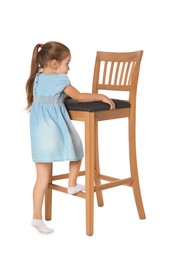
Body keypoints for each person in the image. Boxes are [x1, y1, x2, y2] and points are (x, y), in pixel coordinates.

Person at [25, 41, 115, 234]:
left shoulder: (37, 78)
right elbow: (80, 97)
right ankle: (72, 184)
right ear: (55, 63)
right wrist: (101, 96)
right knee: (77, 149)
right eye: (67, 63)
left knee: (42, 177)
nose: (68, 68)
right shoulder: (60, 79)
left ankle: (36, 217)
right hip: (53, 129)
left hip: (37, 132)